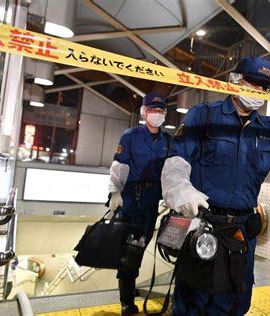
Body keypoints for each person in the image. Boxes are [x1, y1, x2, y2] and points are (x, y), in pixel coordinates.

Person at [161, 56, 270, 315]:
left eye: (264, 86)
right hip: (203, 223)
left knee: (236, 300)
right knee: (194, 300)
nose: (259, 91)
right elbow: (176, 161)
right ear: (233, 80)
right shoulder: (204, 116)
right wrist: (182, 192)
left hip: (241, 231)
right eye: (252, 83)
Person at [108, 93, 171, 316]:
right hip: (131, 199)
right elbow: (119, 167)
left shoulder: (167, 140)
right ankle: (126, 299)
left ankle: (129, 282)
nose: (158, 115)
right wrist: (114, 192)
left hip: (153, 199)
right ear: (144, 112)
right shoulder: (130, 136)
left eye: (162, 111)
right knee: (130, 248)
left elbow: (170, 172)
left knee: (142, 244)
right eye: (154, 110)